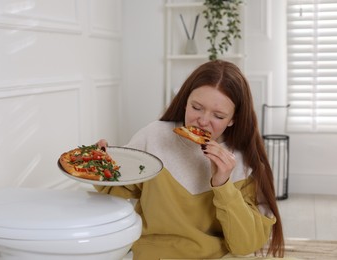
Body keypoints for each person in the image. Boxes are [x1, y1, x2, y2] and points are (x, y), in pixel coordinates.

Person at [95, 60, 285, 260]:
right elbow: (117, 191)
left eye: (218, 116)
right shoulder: (154, 137)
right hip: (152, 254)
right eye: (196, 107)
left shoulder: (245, 165)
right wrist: (101, 165)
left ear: (233, 119)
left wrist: (223, 185)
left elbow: (246, 245)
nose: (203, 121)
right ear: (185, 101)